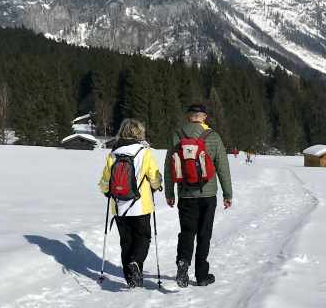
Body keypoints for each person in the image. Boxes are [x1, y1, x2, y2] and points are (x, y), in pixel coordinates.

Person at [164, 103, 233, 288]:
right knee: (204, 235)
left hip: (186, 194)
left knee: (187, 232)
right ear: (204, 117)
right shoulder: (213, 136)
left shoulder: (177, 135)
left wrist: (169, 192)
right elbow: (222, 167)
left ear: (189, 117)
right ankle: (202, 276)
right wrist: (228, 193)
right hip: (208, 195)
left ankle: (183, 261)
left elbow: (169, 167)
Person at [98, 118, 163, 288]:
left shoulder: (113, 153)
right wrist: (157, 186)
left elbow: (105, 182)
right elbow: (154, 177)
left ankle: (131, 279)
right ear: (138, 133)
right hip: (141, 205)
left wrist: (107, 193)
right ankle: (136, 263)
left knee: (126, 242)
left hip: (119, 207)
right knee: (143, 238)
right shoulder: (144, 152)